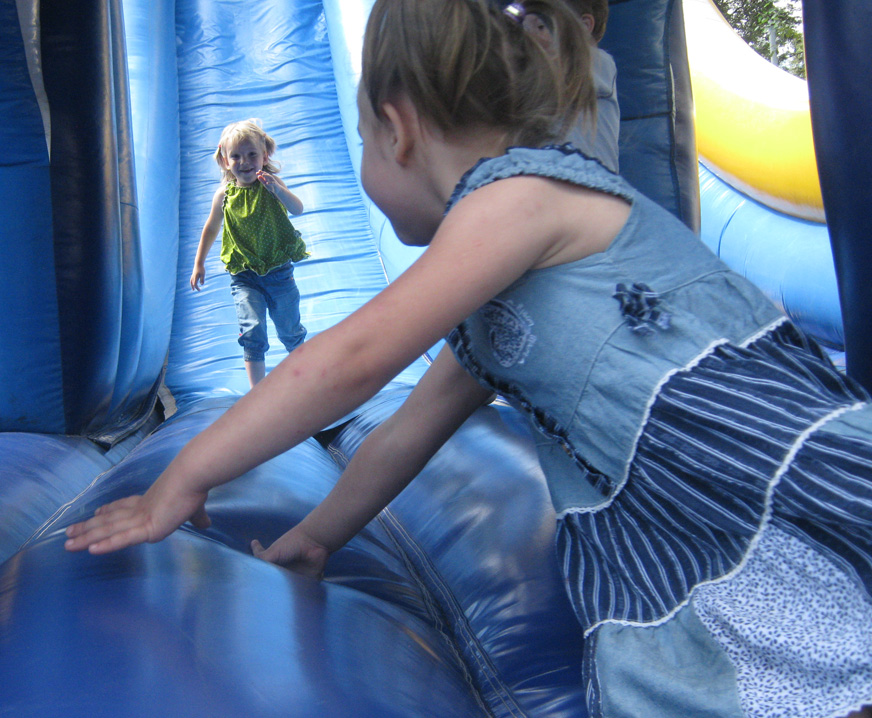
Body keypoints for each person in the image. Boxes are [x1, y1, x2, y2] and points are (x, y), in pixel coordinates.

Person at [66, 1, 872, 716]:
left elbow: (356, 358)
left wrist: (188, 472)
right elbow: (401, 436)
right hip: (696, 520)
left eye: (362, 140)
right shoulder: (493, 301)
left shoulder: (521, 196)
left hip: (753, 457)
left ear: (397, 129)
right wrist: (314, 539)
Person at [189, 119, 309, 387]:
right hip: (244, 276)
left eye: (252, 154)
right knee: (252, 332)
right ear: (225, 161)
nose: (244, 162)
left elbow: (298, 209)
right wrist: (199, 263)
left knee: (290, 330)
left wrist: (278, 190)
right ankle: (258, 394)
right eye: (236, 156)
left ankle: (306, 382)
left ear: (265, 156)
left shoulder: (271, 184)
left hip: (279, 272)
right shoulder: (224, 194)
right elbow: (211, 227)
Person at [515, 0, 620, 171]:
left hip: (586, 180)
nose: (528, 37)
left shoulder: (597, 63)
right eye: (523, 27)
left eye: (541, 26)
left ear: (583, 27)